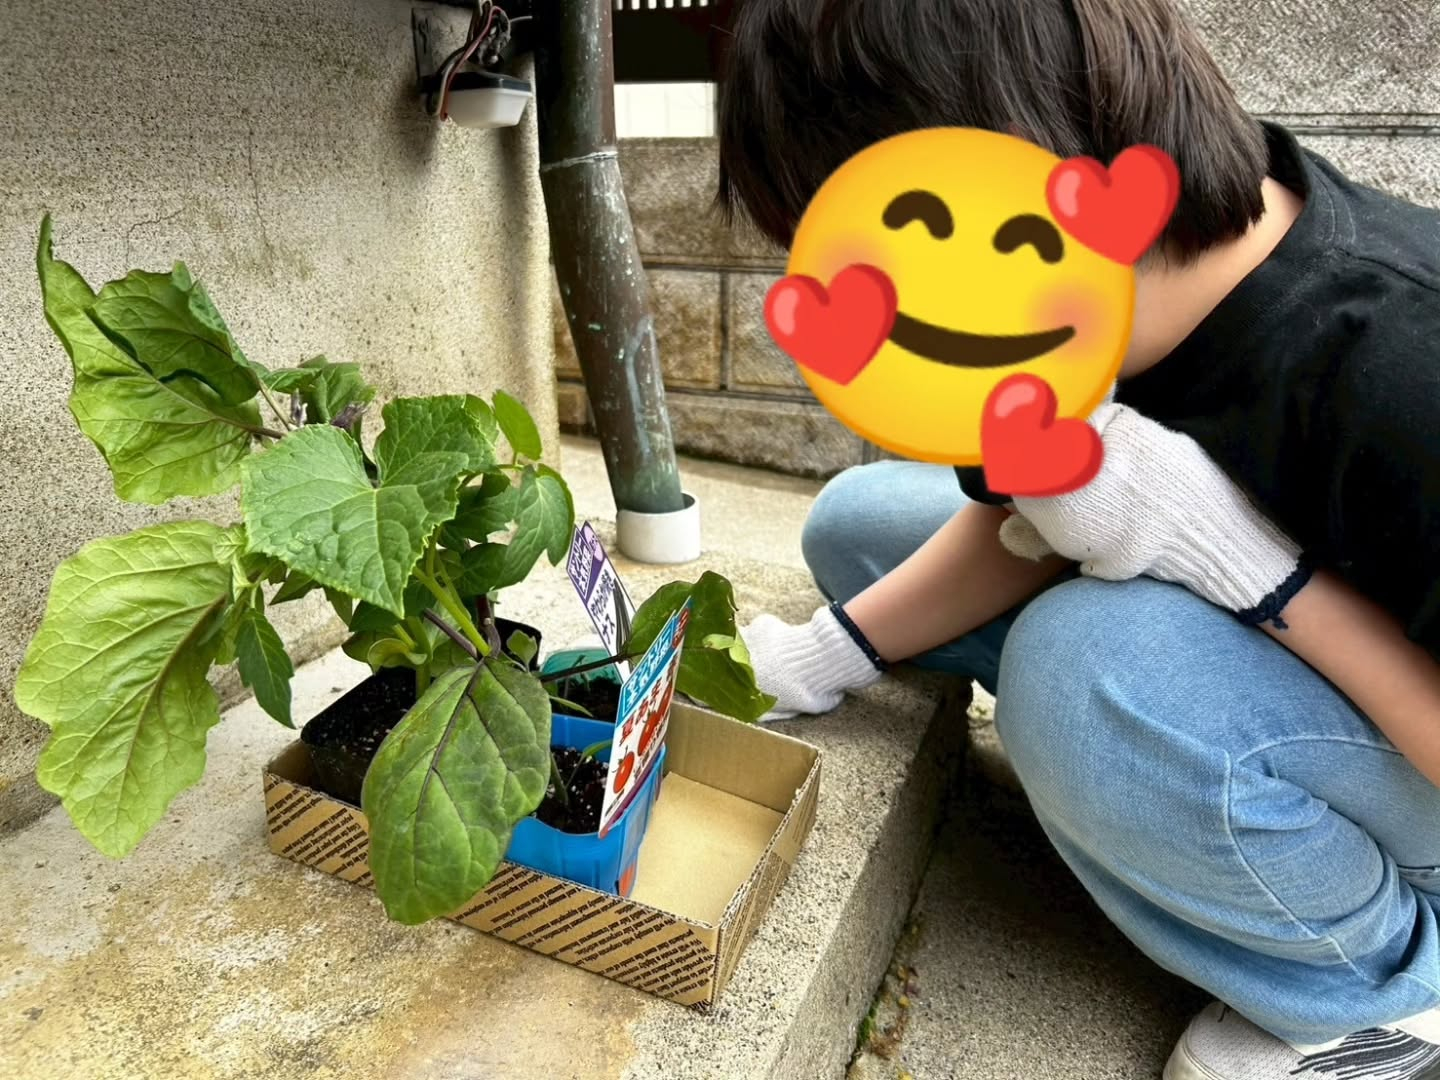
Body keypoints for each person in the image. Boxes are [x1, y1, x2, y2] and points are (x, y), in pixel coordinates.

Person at [715, 1, 1440, 1077]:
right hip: (1316, 681)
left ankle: (1377, 988)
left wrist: (1253, 572)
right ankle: (1149, 754)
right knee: (859, 528)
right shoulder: (1083, 302)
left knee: (1085, 671)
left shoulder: (1398, 370)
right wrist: (813, 660)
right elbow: (1029, 528)